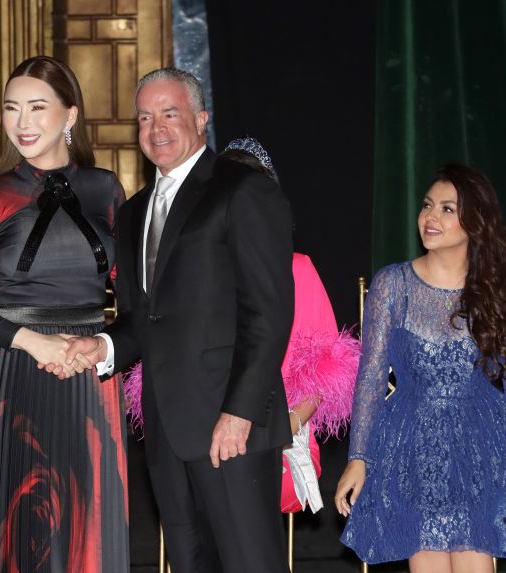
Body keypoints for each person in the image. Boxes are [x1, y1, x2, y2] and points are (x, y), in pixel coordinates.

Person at [55, 70, 294, 572]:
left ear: (201, 119)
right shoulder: (135, 211)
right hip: (167, 430)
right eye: (145, 117)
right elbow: (144, 319)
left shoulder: (243, 191)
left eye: (170, 114)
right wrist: (103, 348)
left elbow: (268, 314)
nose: (156, 128)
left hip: (233, 426)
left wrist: (240, 414)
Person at [0, 55, 129, 572]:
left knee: (88, 524)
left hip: (91, 373)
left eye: (37, 107)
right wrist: (32, 341)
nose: (22, 122)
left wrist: (96, 345)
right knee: (20, 525)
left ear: (70, 116)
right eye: (11, 109)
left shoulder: (106, 189)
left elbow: (138, 301)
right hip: (17, 371)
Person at [120, 136, 361, 515]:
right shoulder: (185, 272)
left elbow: (326, 372)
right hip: (194, 430)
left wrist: (286, 424)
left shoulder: (296, 268)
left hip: (278, 436)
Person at [335, 164, 506, 571]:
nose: (431, 217)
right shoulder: (391, 285)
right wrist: (358, 455)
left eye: (448, 209)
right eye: (428, 206)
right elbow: (371, 378)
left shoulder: (504, 293)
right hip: (413, 450)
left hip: (481, 451)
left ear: (475, 222)